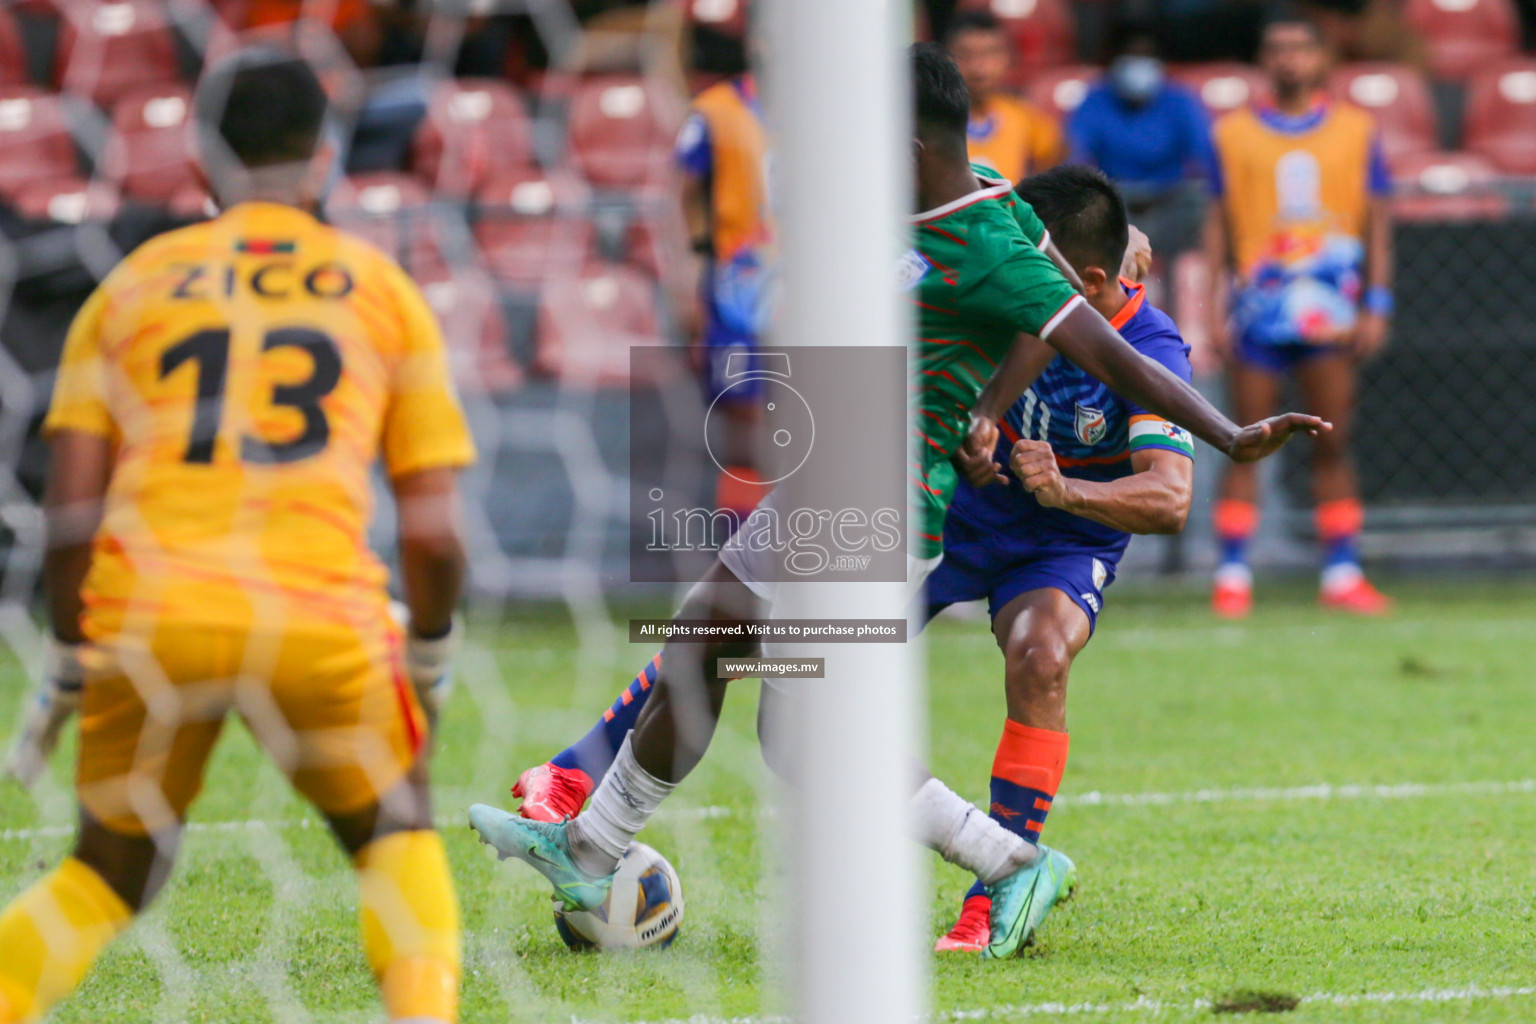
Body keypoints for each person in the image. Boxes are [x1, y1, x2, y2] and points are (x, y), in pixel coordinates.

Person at [469, 43, 1324, 961]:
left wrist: (1229, 435)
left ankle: (1008, 864)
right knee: (704, 648)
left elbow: (1108, 349)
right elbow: (1056, 275)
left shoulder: (991, 246)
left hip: (887, 506)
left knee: (796, 732)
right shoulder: (979, 195)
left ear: (910, 149)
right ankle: (590, 845)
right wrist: (993, 401)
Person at [0, 49, 473, 1024]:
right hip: (318, 618)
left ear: (203, 159)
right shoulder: (378, 288)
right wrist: (428, 640)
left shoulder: (132, 284)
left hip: (151, 613)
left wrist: (69, 655)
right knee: (397, 834)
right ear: (326, 158)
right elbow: (432, 528)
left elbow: (71, 506)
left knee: (107, 870)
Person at [930, 165, 1195, 951]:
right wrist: (975, 434)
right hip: (951, 512)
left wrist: (1068, 492)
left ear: (1088, 279)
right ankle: (580, 779)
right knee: (789, 645)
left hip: (1059, 540)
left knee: (1041, 657)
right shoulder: (1025, 284)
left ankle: (995, 889)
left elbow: (1169, 499)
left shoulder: (1147, 345)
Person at [1205, 12, 1393, 618]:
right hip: (1258, 308)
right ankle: (1232, 575)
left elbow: (1378, 219)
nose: (1288, 58)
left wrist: (1376, 301)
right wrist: (1212, 303)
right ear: (1263, 59)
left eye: (1299, 48)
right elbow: (1217, 223)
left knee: (1333, 443)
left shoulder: (1356, 131)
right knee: (1245, 440)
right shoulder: (1231, 134)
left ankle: (1341, 573)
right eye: (1276, 48)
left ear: (1322, 59)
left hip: (1329, 311)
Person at [675, 68, 777, 520]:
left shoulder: (836, 106)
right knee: (745, 430)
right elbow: (683, 193)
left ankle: (807, 548)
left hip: (819, 288)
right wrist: (689, 274)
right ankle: (743, 561)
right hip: (741, 294)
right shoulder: (715, 109)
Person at [1067, 29, 1212, 321]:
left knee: (1202, 199)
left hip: (1171, 201)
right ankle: (1108, 313)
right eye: (1130, 57)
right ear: (1115, 63)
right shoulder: (1095, 99)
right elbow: (1075, 157)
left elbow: (1205, 160)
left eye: (1145, 57)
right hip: (1116, 202)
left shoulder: (1180, 101)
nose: (1138, 65)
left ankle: (1188, 313)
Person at [946, 9, 1062, 184]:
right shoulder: (934, 124)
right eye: (965, 54)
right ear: (947, 59)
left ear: (1008, 58)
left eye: (990, 53)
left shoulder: (1027, 119)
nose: (978, 67)